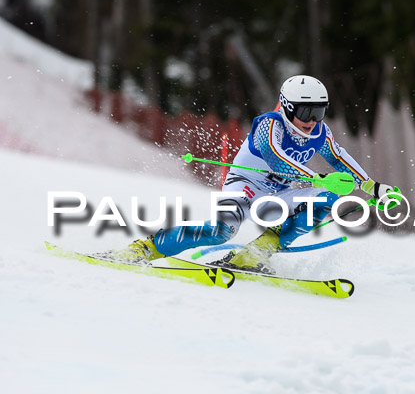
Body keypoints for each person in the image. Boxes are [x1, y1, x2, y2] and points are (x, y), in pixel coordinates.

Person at [118, 75, 395, 273]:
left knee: (329, 197)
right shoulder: (267, 125)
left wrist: (373, 187)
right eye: (307, 112)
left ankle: (257, 252)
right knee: (221, 232)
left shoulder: (320, 132)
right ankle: (146, 248)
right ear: (287, 108)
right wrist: (317, 178)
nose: (313, 121)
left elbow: (339, 158)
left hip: (280, 194)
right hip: (246, 186)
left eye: (319, 112)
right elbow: (277, 159)